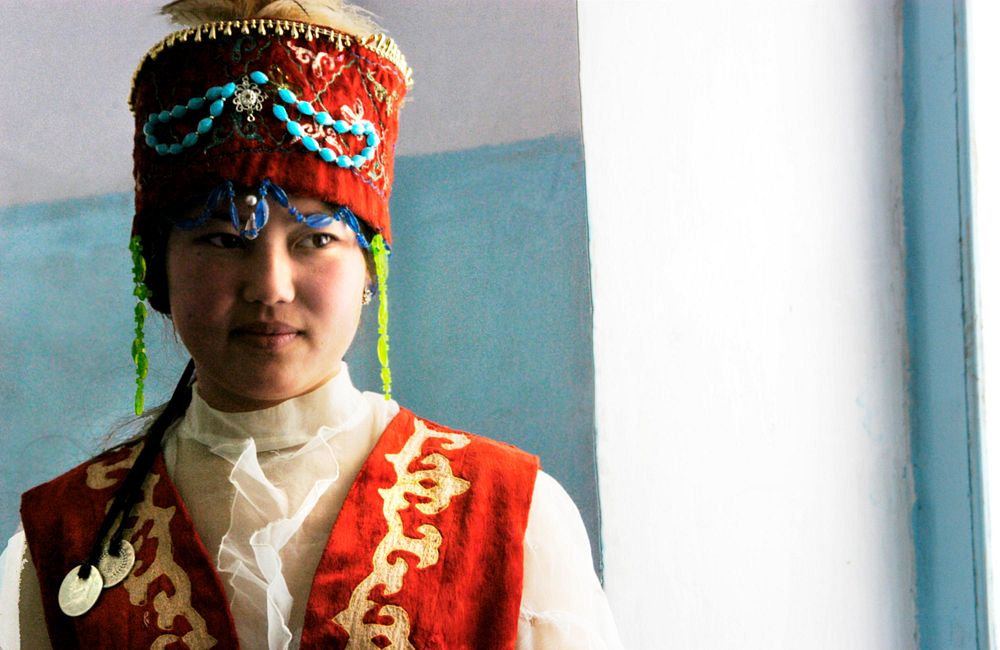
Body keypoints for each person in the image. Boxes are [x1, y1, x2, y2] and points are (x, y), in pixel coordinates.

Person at [0, 2, 622, 648]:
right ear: (158, 270)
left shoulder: (511, 515)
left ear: (369, 270)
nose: (269, 287)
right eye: (221, 240)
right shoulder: (64, 539)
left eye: (316, 240)